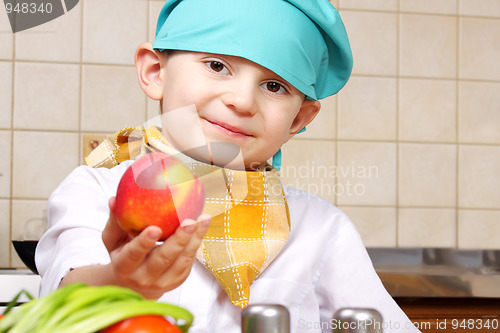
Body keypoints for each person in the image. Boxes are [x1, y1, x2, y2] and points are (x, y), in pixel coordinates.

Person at [36, 0, 421, 332]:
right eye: (217, 65)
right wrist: (118, 282)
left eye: (274, 86)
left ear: (297, 120)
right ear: (156, 73)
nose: (241, 100)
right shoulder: (95, 190)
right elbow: (65, 295)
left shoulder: (321, 229)